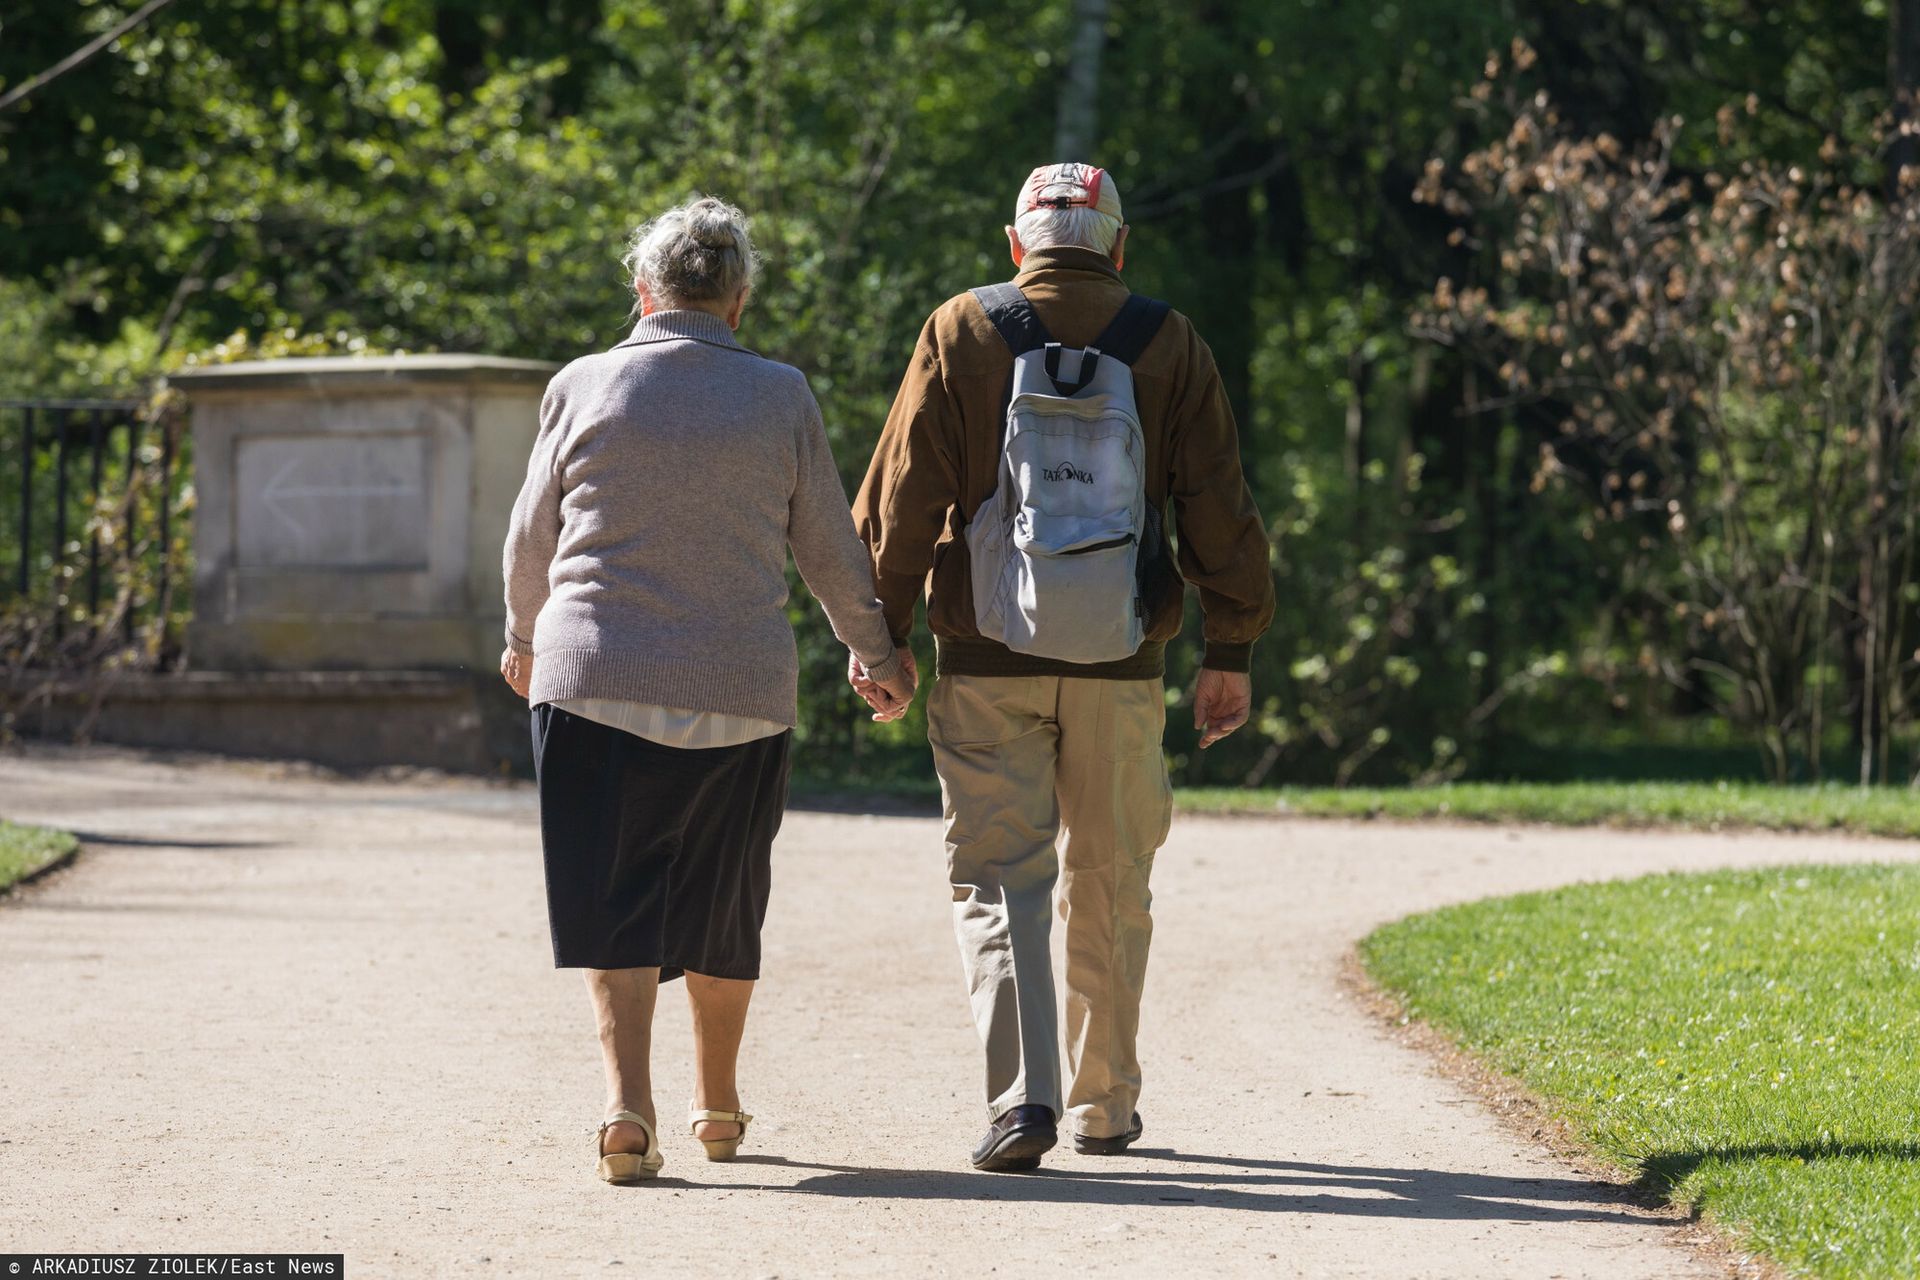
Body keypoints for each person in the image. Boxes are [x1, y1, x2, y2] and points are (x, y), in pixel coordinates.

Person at [851, 163, 1275, 1171]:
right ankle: (1103, 1101)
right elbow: (1217, 504)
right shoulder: (1171, 343)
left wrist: (885, 638)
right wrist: (1231, 647)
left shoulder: (959, 329)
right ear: (1117, 248)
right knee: (1112, 874)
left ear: (1018, 247)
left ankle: (1019, 1101)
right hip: (1122, 661)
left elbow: (904, 496)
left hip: (985, 657)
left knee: (1001, 878)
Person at [501, 195, 916, 1185]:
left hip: (594, 676)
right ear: (738, 301)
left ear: (645, 292)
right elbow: (827, 544)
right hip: (740, 687)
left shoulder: (580, 383)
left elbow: (531, 537)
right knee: (724, 900)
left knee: (614, 896)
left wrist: (521, 638)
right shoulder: (781, 394)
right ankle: (719, 1105)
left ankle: (625, 1108)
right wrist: (878, 653)